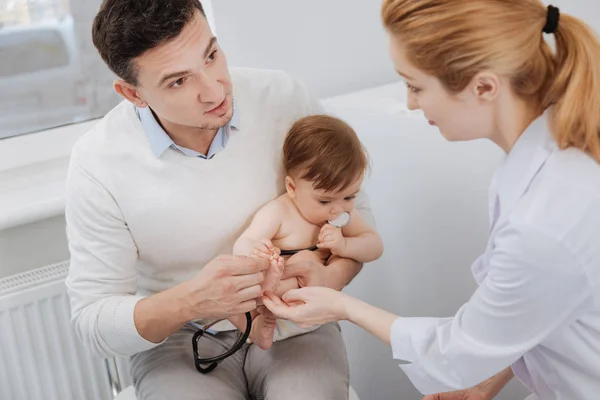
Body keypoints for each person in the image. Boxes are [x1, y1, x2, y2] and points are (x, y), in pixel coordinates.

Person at [262, 1, 600, 399]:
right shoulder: (549, 152)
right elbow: (538, 304)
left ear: (485, 87)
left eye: (416, 85)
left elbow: (454, 350)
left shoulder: (544, 221)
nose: (410, 102)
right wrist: (482, 384)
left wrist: (341, 306)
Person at [64, 1, 374, 399]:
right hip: (182, 338)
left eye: (211, 55)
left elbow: (357, 212)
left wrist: (330, 278)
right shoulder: (97, 162)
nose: (214, 90)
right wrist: (192, 301)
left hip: (294, 322)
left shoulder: (283, 98)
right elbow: (93, 321)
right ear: (132, 93)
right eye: (178, 81)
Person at [228, 115, 384, 349]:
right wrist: (256, 250)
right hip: (269, 298)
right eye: (324, 201)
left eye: (350, 196)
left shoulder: (343, 216)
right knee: (235, 295)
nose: (337, 208)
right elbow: (245, 241)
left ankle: (273, 286)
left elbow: (375, 246)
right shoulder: (280, 211)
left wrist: (344, 246)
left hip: (310, 305)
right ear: (292, 188)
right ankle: (256, 330)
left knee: (304, 261)